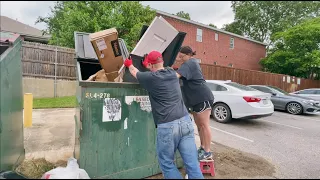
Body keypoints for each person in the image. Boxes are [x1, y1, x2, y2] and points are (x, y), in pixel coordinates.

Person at [124, 51, 204, 179]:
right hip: (185, 122)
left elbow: (134, 72)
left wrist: (128, 64)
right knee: (192, 163)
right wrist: (149, 65)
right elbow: (156, 70)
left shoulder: (150, 78)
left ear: (150, 65)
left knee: (167, 163)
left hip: (168, 126)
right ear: (162, 62)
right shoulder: (172, 73)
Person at [175, 46, 214, 161]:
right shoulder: (187, 64)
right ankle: (203, 147)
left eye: (181, 56)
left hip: (202, 97)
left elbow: (176, 76)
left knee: (204, 125)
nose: (180, 59)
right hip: (195, 99)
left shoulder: (190, 63)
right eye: (180, 57)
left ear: (188, 54)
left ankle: (207, 152)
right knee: (199, 126)